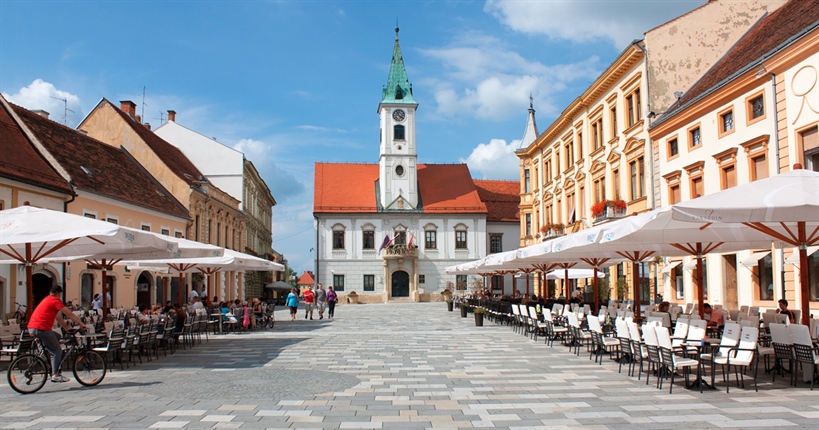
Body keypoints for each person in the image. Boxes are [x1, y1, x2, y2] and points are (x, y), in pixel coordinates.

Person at [27, 285, 86, 383]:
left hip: (33, 328)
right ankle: (55, 375)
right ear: (59, 293)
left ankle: (46, 354)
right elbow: (69, 314)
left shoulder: (47, 299)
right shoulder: (55, 301)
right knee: (57, 351)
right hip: (41, 328)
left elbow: (58, 317)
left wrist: (66, 328)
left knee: (58, 336)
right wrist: (82, 324)